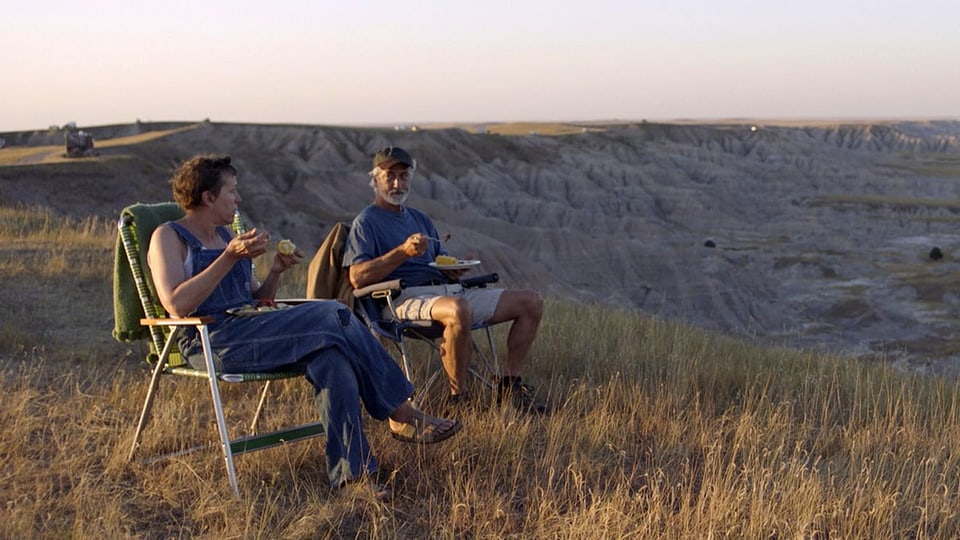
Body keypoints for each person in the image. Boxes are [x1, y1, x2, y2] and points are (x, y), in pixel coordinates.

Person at [147, 154, 461, 500]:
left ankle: (352, 479)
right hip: (211, 342)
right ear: (208, 198)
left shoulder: (225, 237)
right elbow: (176, 304)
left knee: (331, 358)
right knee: (332, 312)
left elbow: (256, 299)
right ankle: (399, 410)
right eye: (232, 192)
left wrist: (276, 271)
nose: (238, 200)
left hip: (251, 330)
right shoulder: (169, 237)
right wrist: (229, 258)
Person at [343, 146, 548, 414]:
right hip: (401, 299)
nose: (397, 183)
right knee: (458, 308)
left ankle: (509, 387)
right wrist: (402, 252)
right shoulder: (366, 222)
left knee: (531, 302)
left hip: (447, 290)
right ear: (376, 179)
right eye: (390, 176)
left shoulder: (420, 219)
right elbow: (357, 278)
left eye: (403, 176)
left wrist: (454, 269)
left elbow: (440, 261)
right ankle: (458, 400)